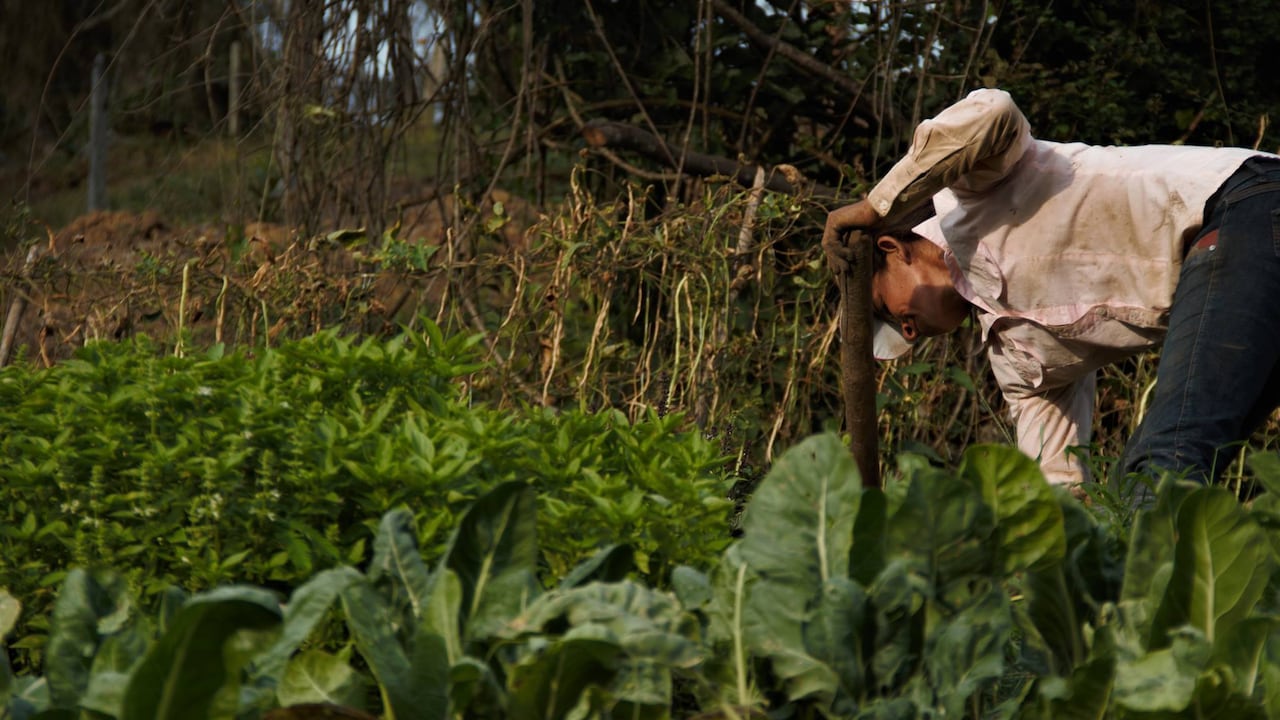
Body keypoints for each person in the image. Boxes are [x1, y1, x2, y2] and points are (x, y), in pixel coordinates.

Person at [822, 88, 1280, 493]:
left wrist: (875, 205)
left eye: (888, 309)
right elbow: (1057, 488)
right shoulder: (1019, 364)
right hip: (1237, 268)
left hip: (1246, 203)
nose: (909, 330)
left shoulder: (971, 191)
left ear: (890, 247)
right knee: (1134, 489)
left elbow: (992, 111)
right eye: (900, 333)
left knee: (1166, 458)